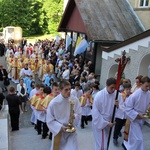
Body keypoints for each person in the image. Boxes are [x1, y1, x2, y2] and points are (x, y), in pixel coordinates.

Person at [46, 80, 82, 150]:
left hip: (71, 132)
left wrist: (75, 116)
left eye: (69, 89)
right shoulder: (54, 103)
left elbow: (79, 112)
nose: (68, 91)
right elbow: (50, 120)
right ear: (60, 90)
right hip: (59, 132)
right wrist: (60, 127)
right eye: (66, 90)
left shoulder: (74, 99)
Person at [92, 77, 122, 150]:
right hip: (100, 122)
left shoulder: (118, 95)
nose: (113, 89)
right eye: (111, 87)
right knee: (102, 145)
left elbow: (123, 109)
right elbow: (95, 112)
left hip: (110, 122)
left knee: (103, 143)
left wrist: (118, 106)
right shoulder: (99, 95)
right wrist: (106, 123)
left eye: (114, 88)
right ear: (106, 85)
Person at [124, 76, 150, 150]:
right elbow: (128, 109)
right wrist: (138, 115)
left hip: (142, 119)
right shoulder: (135, 95)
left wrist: (148, 112)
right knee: (139, 139)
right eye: (146, 86)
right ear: (141, 84)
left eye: (149, 86)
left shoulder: (149, 93)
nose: (148, 88)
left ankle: (129, 146)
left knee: (134, 137)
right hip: (134, 119)